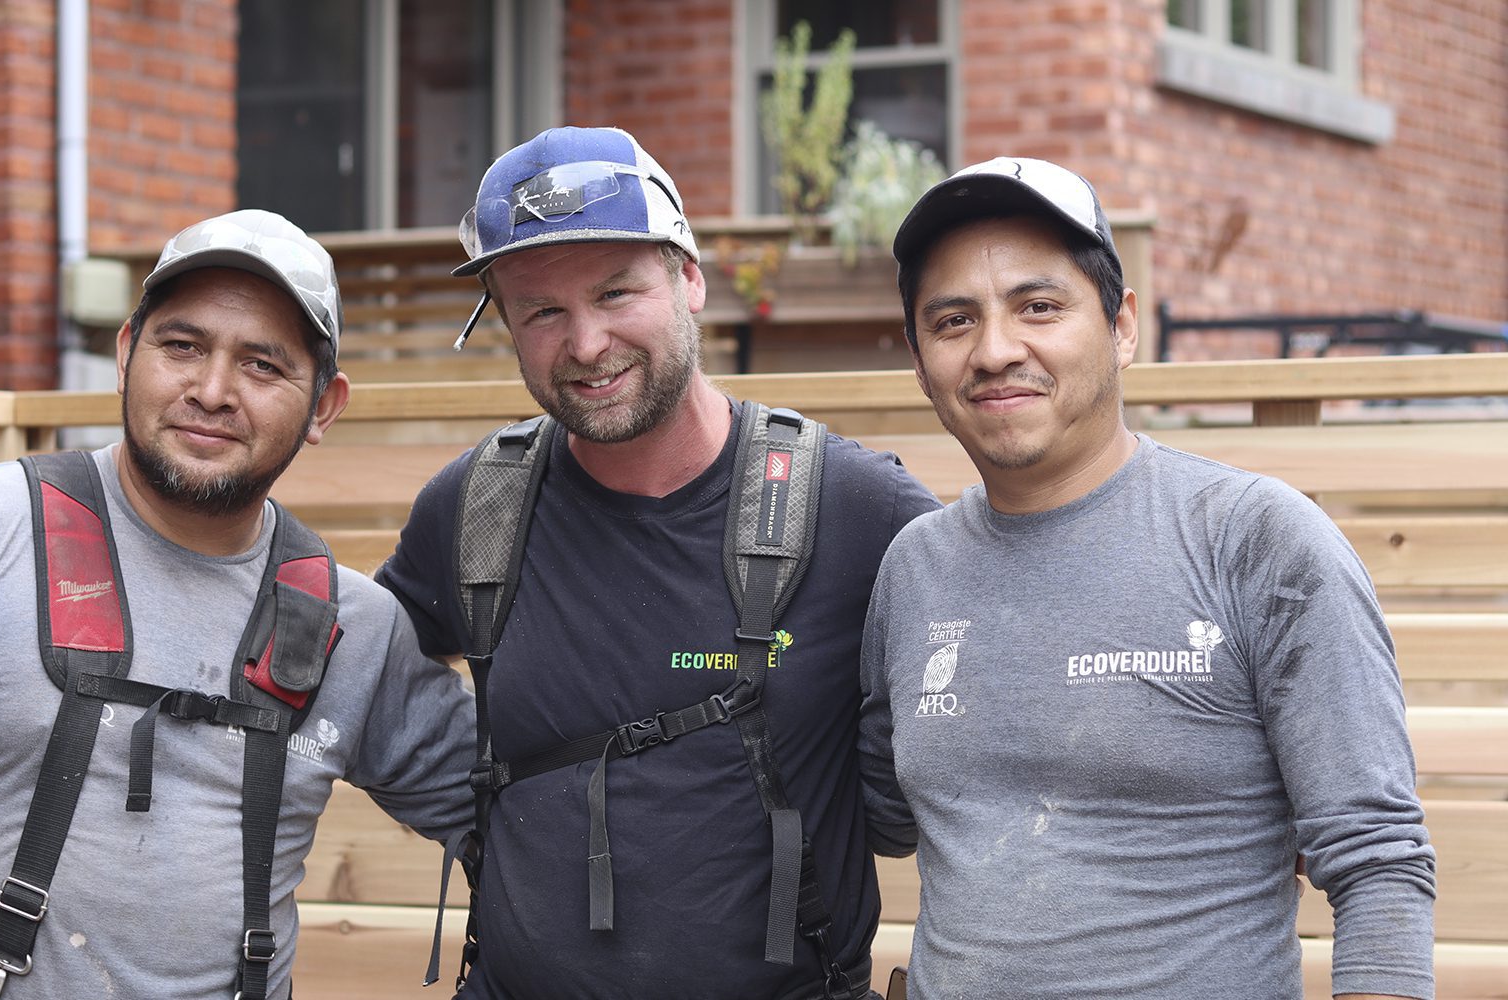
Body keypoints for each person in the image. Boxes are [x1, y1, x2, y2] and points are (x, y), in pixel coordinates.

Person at [0, 209, 477, 1000]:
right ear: (128, 352)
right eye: (182, 346)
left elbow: (521, 816)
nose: (212, 390)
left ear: (324, 407)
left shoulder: (350, 624)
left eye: (263, 365)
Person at [375, 126, 941, 1000]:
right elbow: (362, 671)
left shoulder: (854, 507)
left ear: (690, 278)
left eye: (615, 291)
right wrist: (485, 809)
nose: (588, 343)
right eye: (542, 311)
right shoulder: (476, 508)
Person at [860, 157, 1437, 999]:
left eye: (1039, 307)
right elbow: (883, 816)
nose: (994, 350)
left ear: (1122, 326)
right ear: (919, 359)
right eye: (953, 321)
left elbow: (1379, 862)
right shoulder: (914, 568)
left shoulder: (1259, 543)